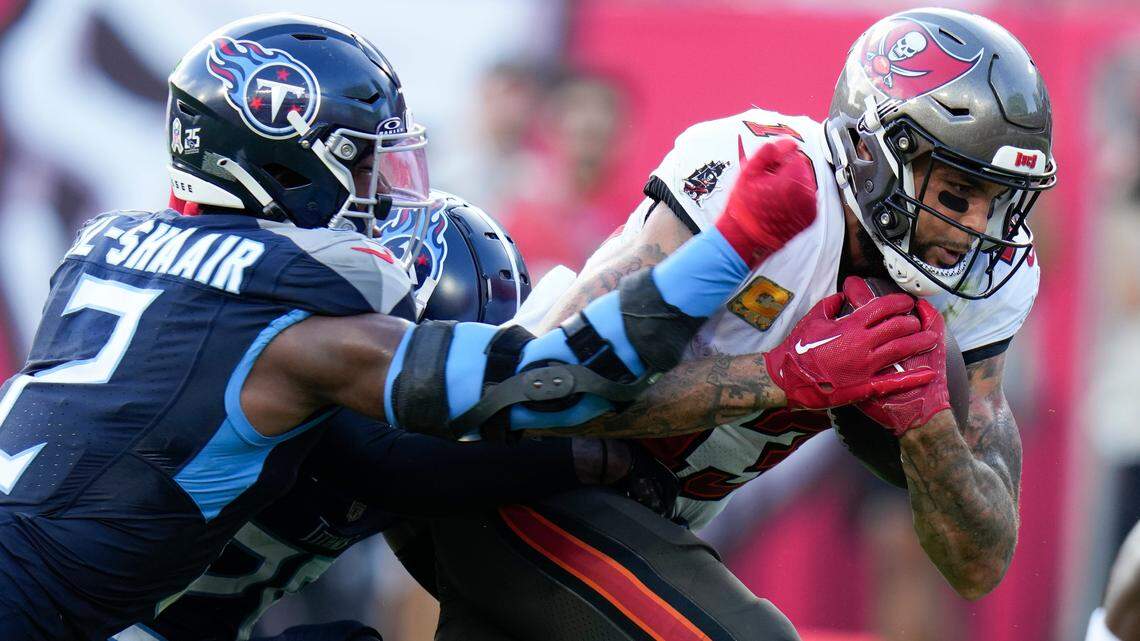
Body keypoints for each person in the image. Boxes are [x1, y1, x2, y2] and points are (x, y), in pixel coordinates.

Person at [0, 13, 930, 641]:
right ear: (284, 167)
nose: (385, 199)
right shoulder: (300, 334)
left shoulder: (108, 249)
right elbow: (550, 375)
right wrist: (732, 247)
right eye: (367, 169)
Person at [414, 8, 1056, 640]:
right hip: (519, 473)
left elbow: (979, 565)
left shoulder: (983, 277)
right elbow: (541, 387)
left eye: (1000, 199)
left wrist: (928, 428)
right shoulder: (766, 173)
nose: (977, 229)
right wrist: (784, 376)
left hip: (635, 513)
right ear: (871, 151)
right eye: (955, 193)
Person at [113, 194, 667, 641]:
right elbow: (392, 466)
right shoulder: (298, 364)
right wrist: (585, 458)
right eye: (445, 367)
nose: (456, 398)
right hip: (106, 616)